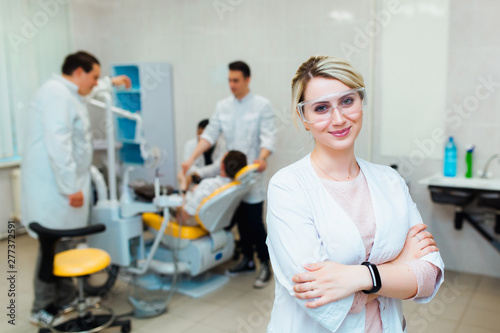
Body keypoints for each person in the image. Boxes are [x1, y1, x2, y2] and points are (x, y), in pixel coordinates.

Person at [266, 56, 444, 332]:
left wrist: (357, 277)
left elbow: (428, 276)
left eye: (347, 101)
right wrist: (399, 267)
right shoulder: (287, 187)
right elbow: (318, 297)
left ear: (361, 102)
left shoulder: (390, 181)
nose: (338, 119)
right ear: (304, 117)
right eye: (321, 108)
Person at [21, 51, 131, 325]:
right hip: (54, 187)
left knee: (65, 245)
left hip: (63, 185)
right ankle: (42, 306)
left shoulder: (70, 92)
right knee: (51, 245)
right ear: (78, 73)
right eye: (93, 76)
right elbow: (58, 145)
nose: (96, 82)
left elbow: (90, 90)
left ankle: (66, 298)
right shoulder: (56, 94)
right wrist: (70, 187)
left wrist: (111, 82)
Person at [182, 61, 276, 288]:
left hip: (250, 175)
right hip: (230, 177)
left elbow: (268, 137)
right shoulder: (223, 106)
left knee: (254, 222)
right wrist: (191, 158)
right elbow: (210, 135)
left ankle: (265, 264)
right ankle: (246, 261)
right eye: (229, 80)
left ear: (247, 80)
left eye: (236, 80)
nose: (232, 85)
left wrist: (262, 158)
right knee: (241, 221)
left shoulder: (262, 105)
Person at [177, 150, 247, 226]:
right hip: (216, 222)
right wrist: (198, 190)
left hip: (192, 221)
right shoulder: (236, 186)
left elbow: (181, 218)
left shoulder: (208, 184)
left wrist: (183, 185)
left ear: (222, 166)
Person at [182, 118, 226, 187]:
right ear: (197, 133)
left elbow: (218, 167)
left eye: (205, 135)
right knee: (180, 175)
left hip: (215, 179)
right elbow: (188, 166)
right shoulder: (190, 145)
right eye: (200, 134)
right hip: (196, 180)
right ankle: (185, 196)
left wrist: (198, 172)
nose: (202, 138)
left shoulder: (222, 144)